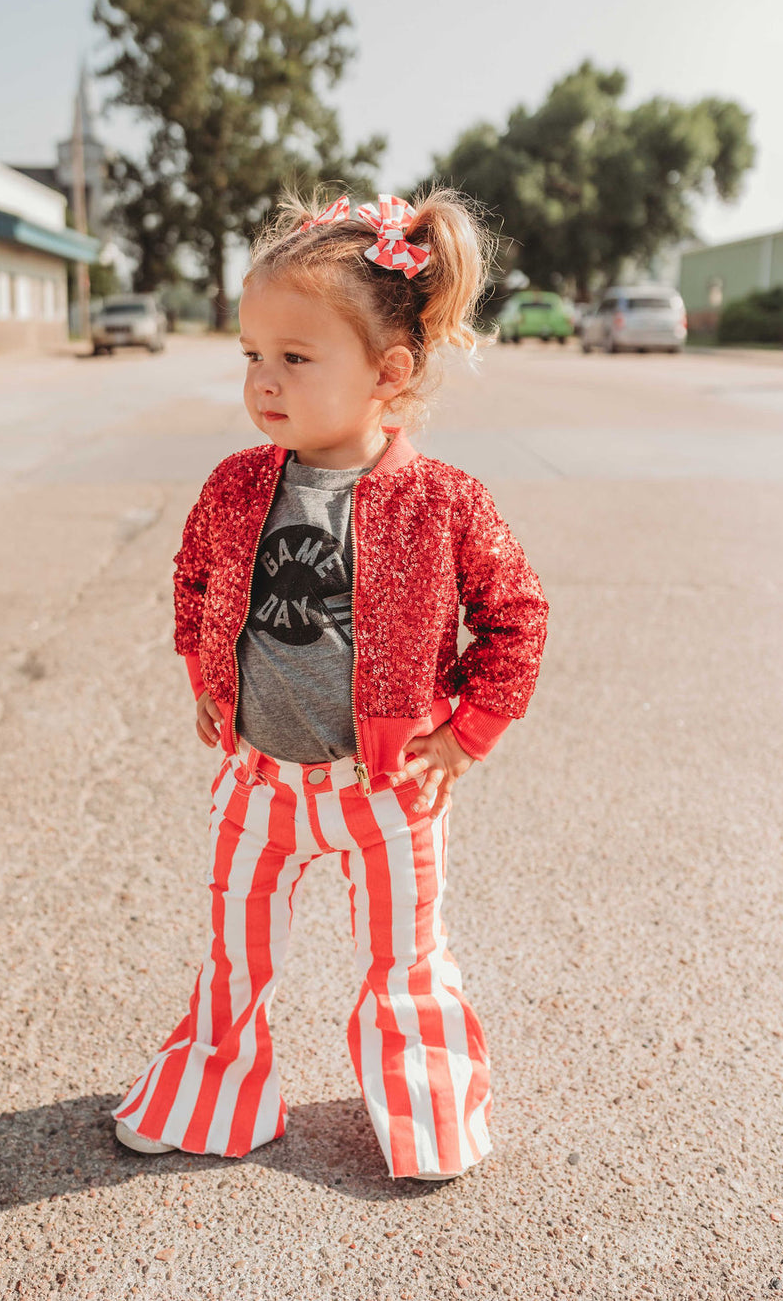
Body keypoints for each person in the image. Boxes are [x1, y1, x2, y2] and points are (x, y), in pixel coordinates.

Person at [111, 188, 549, 1181]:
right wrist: (207, 672)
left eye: (295, 358)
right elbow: (193, 579)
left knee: (405, 962)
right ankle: (215, 1098)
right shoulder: (234, 484)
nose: (264, 381)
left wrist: (468, 731)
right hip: (260, 783)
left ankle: (426, 1116)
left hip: (386, 792)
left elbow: (518, 613)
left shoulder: (442, 502)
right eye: (251, 356)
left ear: (387, 374)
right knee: (234, 958)